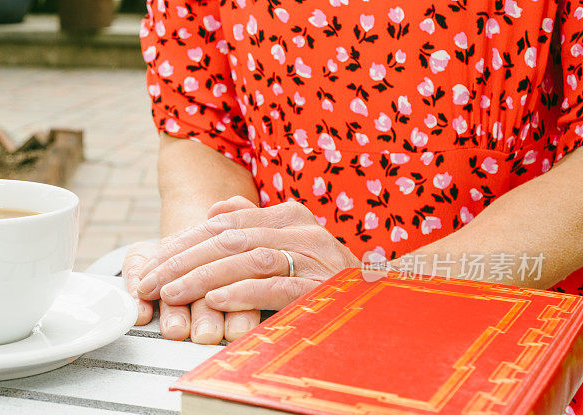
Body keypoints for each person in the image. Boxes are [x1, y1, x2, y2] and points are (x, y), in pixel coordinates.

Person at [125, 1, 583, 348]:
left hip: (508, 319)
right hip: (282, 326)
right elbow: (203, 130)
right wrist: (209, 271)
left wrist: (379, 293)